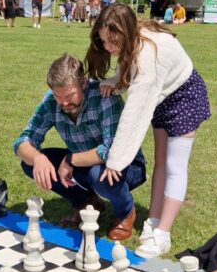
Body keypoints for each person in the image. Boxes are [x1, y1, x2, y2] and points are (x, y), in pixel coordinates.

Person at [86, 3, 211, 258]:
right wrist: (114, 83)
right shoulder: (133, 39)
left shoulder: (149, 58)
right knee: (160, 162)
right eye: (104, 42)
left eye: (112, 42)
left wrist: (116, 160)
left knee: (176, 165)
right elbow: (127, 67)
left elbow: (134, 115)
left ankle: (163, 233)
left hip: (185, 97)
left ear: (127, 32)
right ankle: (153, 220)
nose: (109, 48)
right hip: (163, 96)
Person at [13, 54, 146, 239]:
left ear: (83, 83)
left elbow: (112, 150)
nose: (64, 103)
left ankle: (125, 212)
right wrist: (37, 158)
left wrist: (70, 159)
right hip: (82, 162)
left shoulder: (104, 95)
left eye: (69, 95)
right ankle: (86, 202)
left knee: (98, 175)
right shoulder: (52, 101)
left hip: (126, 165)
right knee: (30, 163)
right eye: (59, 97)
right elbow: (22, 141)